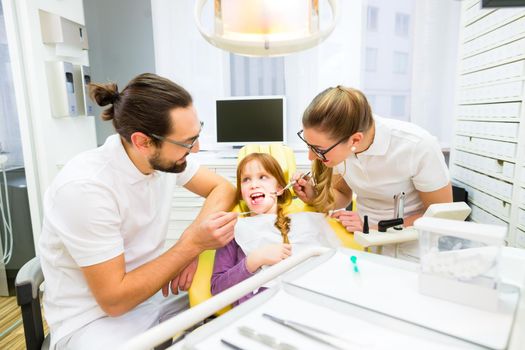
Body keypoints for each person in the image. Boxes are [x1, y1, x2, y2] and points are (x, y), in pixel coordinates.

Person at [39, 73, 238, 349]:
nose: (196, 149)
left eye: (197, 135)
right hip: (93, 321)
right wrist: (190, 246)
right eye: (186, 142)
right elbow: (114, 300)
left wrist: (195, 245)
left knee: (237, 308)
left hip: (153, 296)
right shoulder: (86, 188)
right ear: (143, 142)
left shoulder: (161, 159)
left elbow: (223, 188)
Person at [293, 86, 452, 245]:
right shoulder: (337, 147)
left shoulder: (417, 145)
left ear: (355, 140)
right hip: (362, 235)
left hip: (413, 241)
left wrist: (375, 229)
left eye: (319, 150)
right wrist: (314, 196)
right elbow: (341, 193)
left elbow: (442, 216)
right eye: (309, 145)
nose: (311, 157)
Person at [211, 153, 339, 305]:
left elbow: (335, 270)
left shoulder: (308, 222)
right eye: (246, 179)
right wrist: (253, 260)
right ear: (241, 192)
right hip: (257, 313)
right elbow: (217, 288)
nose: (253, 185)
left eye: (262, 177)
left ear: (279, 188)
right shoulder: (234, 230)